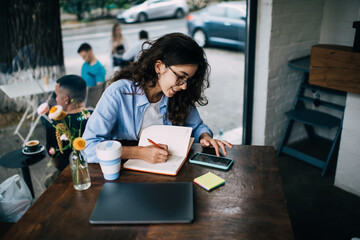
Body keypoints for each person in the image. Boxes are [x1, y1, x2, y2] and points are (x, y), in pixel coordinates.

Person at [83, 32, 232, 164]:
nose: (184, 86)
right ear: (159, 67)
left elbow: (197, 126)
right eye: (181, 76)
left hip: (169, 167)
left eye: (189, 79)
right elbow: (89, 147)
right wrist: (139, 153)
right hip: (124, 174)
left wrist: (205, 137)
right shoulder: (118, 93)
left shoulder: (179, 94)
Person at [43, 75, 92, 172]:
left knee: (48, 181)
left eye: (56, 95)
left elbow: (57, 163)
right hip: (99, 170)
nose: (56, 99)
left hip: (71, 175)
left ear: (66, 99)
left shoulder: (56, 126)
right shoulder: (97, 116)